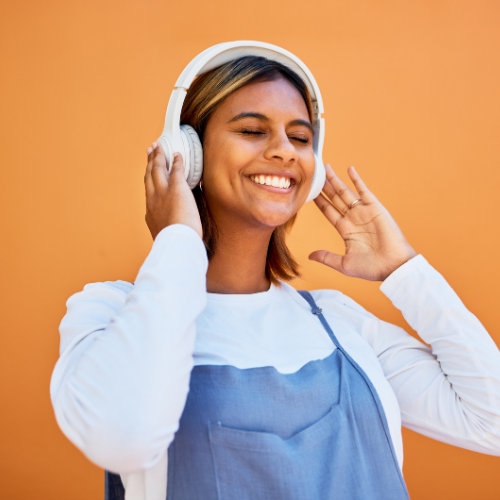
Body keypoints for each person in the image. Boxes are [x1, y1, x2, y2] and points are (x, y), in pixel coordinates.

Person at [50, 51, 500, 500]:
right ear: (188, 154)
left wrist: (405, 271)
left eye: (300, 137)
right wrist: (177, 241)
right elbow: (122, 438)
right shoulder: (110, 312)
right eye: (251, 130)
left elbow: (492, 421)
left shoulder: (337, 320)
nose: (284, 149)